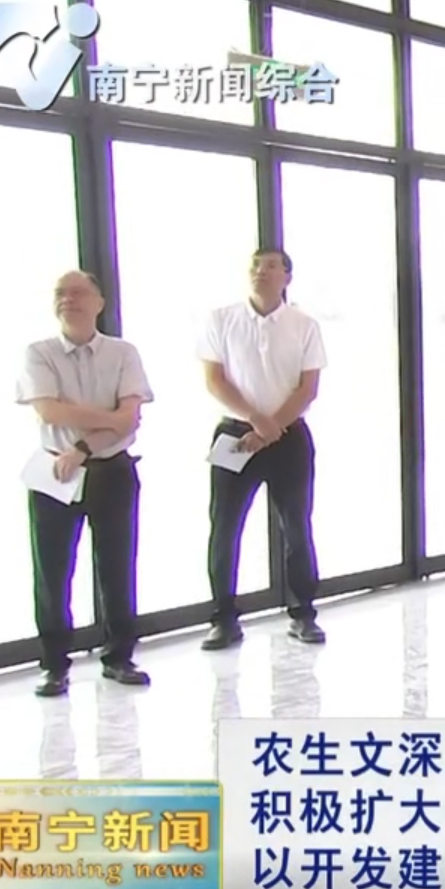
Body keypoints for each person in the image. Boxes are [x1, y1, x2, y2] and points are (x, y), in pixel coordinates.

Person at [16, 270, 154, 698]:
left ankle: (120, 656)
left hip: (111, 470)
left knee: (117, 566)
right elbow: (50, 412)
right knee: (53, 572)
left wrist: (82, 446)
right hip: (55, 472)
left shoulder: (123, 352)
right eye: (61, 293)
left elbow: (129, 420)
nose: (68, 300)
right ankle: (54, 665)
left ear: (99, 302)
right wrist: (108, 420)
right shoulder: (39, 353)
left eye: (78, 293)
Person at [198, 248, 327, 649]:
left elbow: (308, 388)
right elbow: (214, 380)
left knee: (297, 526)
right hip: (236, 434)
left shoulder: (304, 325)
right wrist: (256, 420)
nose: (261, 271)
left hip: (289, 435)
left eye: (271, 266)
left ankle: (303, 613)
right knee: (224, 527)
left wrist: (272, 427)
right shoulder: (222, 319)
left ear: (287, 276)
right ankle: (223, 618)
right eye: (255, 265)